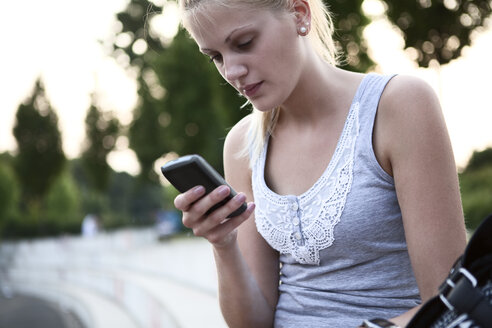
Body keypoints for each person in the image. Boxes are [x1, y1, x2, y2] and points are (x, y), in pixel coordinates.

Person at [172, 0, 467, 326]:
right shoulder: (243, 146)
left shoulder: (398, 105)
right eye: (216, 57)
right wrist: (223, 243)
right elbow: (252, 323)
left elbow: (448, 302)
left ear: (299, 14)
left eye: (244, 43)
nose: (231, 71)